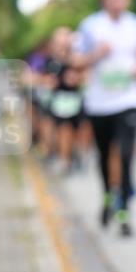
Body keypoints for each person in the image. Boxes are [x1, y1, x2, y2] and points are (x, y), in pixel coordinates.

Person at [74, 0, 136, 237]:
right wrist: (96, 54)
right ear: (104, 0)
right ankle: (108, 193)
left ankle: (124, 209)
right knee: (105, 154)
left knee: (126, 154)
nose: (116, 2)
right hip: (99, 102)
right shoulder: (90, 26)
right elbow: (76, 61)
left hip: (129, 100)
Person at [42, 26, 86, 175]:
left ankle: (74, 155)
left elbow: (86, 74)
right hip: (59, 100)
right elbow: (46, 78)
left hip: (76, 98)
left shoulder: (77, 57)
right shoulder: (52, 60)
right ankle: (64, 159)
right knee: (64, 129)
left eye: (66, 37)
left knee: (77, 131)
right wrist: (49, 81)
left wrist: (78, 78)